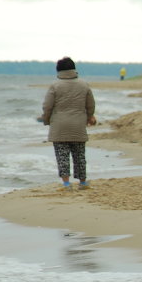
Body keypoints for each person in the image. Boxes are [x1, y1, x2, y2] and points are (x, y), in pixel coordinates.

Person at [42, 56, 96, 190]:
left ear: (58, 70)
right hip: (78, 124)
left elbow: (47, 106)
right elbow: (90, 104)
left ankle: (66, 183)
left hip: (59, 125)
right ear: (74, 69)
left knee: (62, 156)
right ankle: (83, 182)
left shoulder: (55, 85)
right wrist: (90, 117)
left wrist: (46, 119)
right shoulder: (84, 84)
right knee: (79, 155)